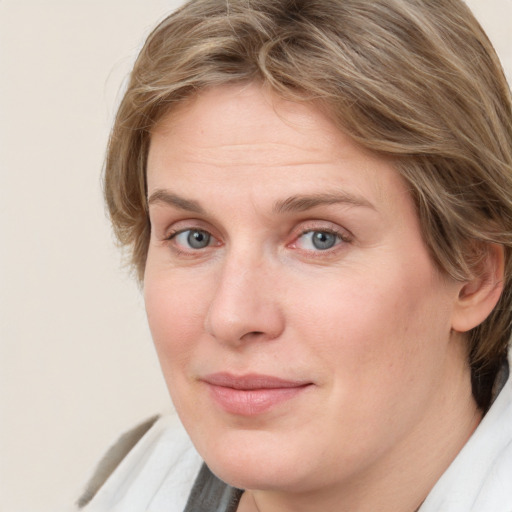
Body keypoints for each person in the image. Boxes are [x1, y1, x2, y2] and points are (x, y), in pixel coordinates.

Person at [77, 0, 512, 510]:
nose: (232, 316)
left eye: (319, 238)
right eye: (194, 236)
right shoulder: (129, 482)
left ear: (473, 277)